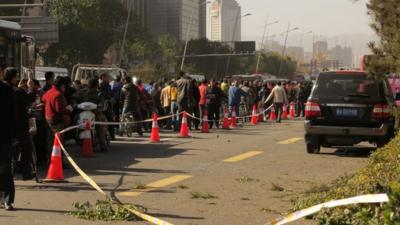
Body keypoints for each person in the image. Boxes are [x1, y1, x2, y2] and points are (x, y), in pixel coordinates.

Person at [4, 69, 36, 180]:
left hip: (7, 126)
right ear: (13, 77)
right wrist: (31, 87)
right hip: (20, 126)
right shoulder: (17, 91)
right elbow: (30, 98)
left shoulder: (6, 89)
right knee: (26, 148)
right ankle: (26, 172)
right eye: (16, 76)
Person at [0, 64, 17, 210]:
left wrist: (14, 134)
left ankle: (7, 199)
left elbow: (13, 114)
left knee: (6, 169)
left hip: (5, 136)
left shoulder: (6, 90)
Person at [42, 76, 70, 162]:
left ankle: (50, 159)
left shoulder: (48, 92)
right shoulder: (58, 95)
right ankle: (59, 161)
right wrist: (68, 110)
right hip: (57, 121)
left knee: (50, 141)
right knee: (59, 143)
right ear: (62, 85)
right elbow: (60, 109)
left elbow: (43, 100)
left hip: (48, 120)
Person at [99, 73, 114, 139]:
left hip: (108, 106)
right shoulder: (99, 85)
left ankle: (112, 135)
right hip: (101, 106)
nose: (108, 78)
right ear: (102, 77)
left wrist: (112, 99)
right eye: (107, 77)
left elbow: (111, 94)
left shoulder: (108, 86)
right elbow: (100, 95)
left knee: (110, 119)